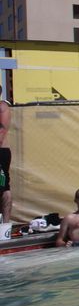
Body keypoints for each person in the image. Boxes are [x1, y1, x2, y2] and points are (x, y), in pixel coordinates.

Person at [0, 85, 11, 224]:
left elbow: (1, 130)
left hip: (1, 152)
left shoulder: (2, 106)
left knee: (3, 187)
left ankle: (5, 225)